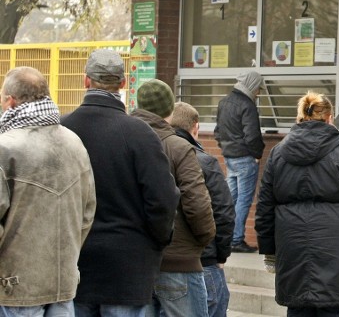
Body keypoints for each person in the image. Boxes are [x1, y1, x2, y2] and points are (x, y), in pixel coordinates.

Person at [62, 49, 180, 317]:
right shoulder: (140, 134)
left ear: (85, 81)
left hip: (73, 266)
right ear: (123, 84)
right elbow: (162, 199)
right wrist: (156, 242)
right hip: (127, 269)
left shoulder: (62, 129)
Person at [256, 92, 339, 317]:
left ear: (300, 118)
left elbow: (265, 208)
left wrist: (269, 252)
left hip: (294, 256)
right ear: (330, 118)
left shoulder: (278, 154)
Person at [0, 67, 96, 316]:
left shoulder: (5, 146)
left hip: (15, 285)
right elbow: (87, 212)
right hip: (64, 280)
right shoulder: (74, 142)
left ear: (10, 101)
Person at [133, 79, 216, 317]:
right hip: (179, 259)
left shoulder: (125, 140)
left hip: (136, 262)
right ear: (170, 109)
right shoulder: (179, 147)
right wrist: (203, 239)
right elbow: (197, 204)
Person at [170, 102, 236, 317]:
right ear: (196, 127)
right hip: (202, 259)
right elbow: (223, 211)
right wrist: (221, 255)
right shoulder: (205, 162)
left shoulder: (156, 153)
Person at [215, 70, 265, 253]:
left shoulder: (224, 102)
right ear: (252, 85)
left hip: (229, 157)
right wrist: (257, 154)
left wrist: (225, 148)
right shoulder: (247, 105)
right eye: (258, 88)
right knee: (243, 200)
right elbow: (252, 136)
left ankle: (225, 237)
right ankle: (236, 240)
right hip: (245, 158)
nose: (258, 92)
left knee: (230, 199)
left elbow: (217, 131)